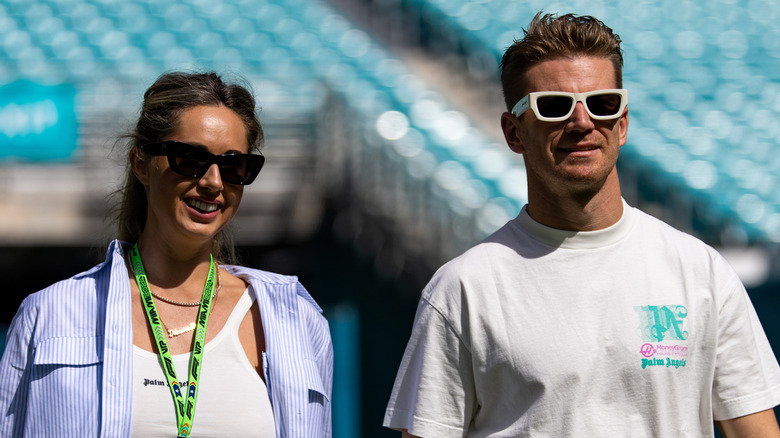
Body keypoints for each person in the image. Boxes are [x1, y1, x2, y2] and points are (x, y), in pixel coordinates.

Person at [383, 12, 780, 438]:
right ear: (513, 132)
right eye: (553, 107)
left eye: (602, 103)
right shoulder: (463, 289)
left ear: (622, 123)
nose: (582, 122)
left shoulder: (702, 271)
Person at [0, 72, 333, 437]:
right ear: (141, 163)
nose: (213, 182)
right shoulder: (50, 315)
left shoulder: (297, 320)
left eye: (234, 165)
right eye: (190, 159)